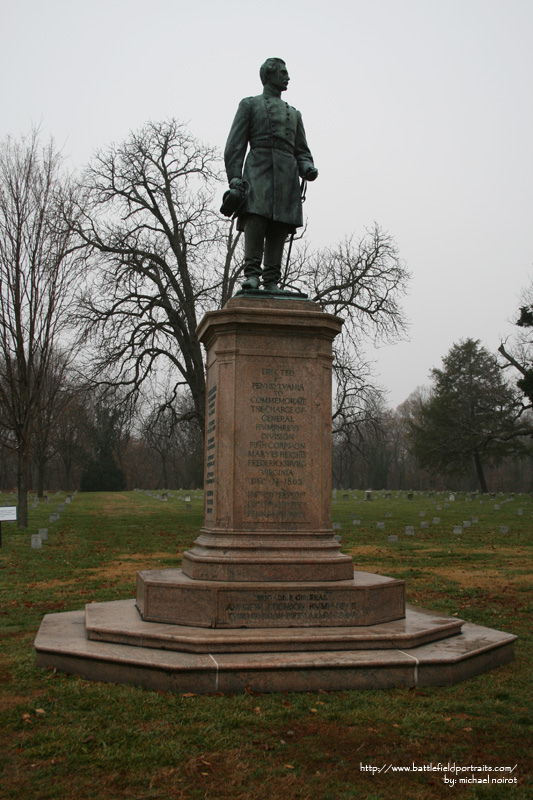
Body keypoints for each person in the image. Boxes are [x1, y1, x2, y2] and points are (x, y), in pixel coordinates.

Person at [223, 58, 318, 293]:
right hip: (259, 167)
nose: (288, 77)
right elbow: (235, 145)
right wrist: (235, 178)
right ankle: (252, 275)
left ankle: (272, 280)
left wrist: (306, 167)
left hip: (286, 173)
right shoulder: (249, 105)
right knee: (256, 218)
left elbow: (302, 150)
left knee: (279, 225)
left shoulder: (294, 114)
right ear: (269, 75)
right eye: (283, 73)